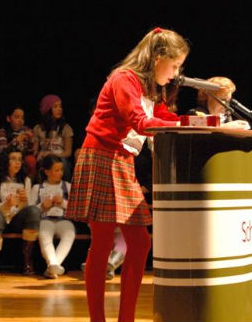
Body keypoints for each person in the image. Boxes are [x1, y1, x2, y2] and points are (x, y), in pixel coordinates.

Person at [65, 27, 189, 322]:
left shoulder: (148, 88)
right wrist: (180, 125)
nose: (174, 74)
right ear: (158, 57)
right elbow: (140, 120)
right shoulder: (124, 79)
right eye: (174, 66)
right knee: (103, 241)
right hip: (101, 158)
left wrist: (204, 121)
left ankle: (126, 320)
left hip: (122, 161)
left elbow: (166, 117)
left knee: (140, 242)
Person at [0, 146, 41, 277]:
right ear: (5, 161)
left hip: (16, 219)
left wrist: (24, 201)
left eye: (20, 160)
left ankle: (27, 261)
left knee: (33, 211)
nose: (17, 163)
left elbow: (27, 208)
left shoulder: (25, 179)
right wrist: (7, 205)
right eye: (13, 159)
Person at [31, 155, 75, 279]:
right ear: (47, 172)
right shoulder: (37, 188)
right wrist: (42, 206)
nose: (60, 173)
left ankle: (52, 267)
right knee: (45, 234)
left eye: (61, 170)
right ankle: (53, 264)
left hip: (62, 220)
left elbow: (76, 209)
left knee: (69, 232)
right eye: (56, 170)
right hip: (45, 219)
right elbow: (30, 210)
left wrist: (63, 203)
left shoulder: (68, 186)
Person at [33, 94, 74, 182]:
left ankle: (65, 189)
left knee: (64, 164)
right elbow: (35, 151)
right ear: (48, 109)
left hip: (60, 157)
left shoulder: (65, 128)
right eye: (55, 107)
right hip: (45, 159)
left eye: (60, 106)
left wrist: (53, 154)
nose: (59, 109)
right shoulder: (38, 128)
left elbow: (68, 152)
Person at [0, 105, 36, 179]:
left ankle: (29, 184)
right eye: (17, 117)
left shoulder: (27, 130)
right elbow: (2, 151)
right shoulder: (3, 131)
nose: (20, 120)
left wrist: (31, 140)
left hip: (23, 158)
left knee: (31, 160)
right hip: (9, 159)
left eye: (22, 118)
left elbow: (31, 152)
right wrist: (16, 140)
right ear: (8, 118)